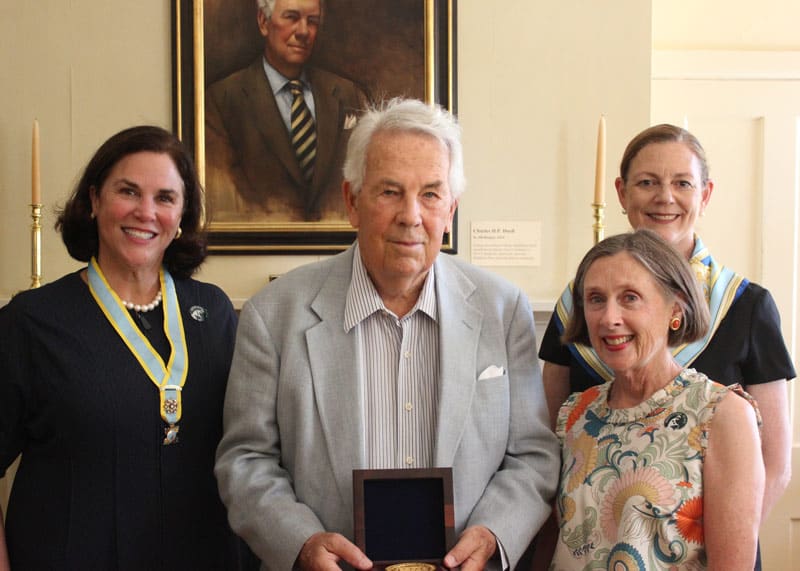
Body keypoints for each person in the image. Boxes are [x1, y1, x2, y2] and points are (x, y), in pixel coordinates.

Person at [215, 98, 560, 571]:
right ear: (352, 201)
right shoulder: (273, 315)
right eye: (390, 192)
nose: (411, 215)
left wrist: (495, 534)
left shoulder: (503, 309)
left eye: (431, 195)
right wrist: (300, 543)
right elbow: (246, 459)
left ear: (451, 210)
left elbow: (533, 454)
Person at [0, 126, 254, 569]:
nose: (145, 212)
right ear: (95, 200)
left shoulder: (213, 313)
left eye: (165, 198)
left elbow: (254, 448)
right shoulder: (31, 322)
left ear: (182, 216)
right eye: (128, 191)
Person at [538, 124, 794, 529]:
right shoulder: (578, 304)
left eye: (682, 183)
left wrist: (711, 549)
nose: (664, 197)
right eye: (647, 182)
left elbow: (774, 463)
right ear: (622, 193)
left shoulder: (747, 306)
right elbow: (547, 447)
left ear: (705, 195)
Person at [547, 229, 764, 569]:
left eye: (630, 297)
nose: (609, 318)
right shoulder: (574, 414)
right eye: (596, 299)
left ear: (675, 308)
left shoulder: (720, 414)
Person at [205, 0, 368, 223]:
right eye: (291, 17)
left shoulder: (348, 95)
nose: (303, 31)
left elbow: (364, 179)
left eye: (312, 21)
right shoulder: (221, 99)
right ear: (264, 22)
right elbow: (223, 195)